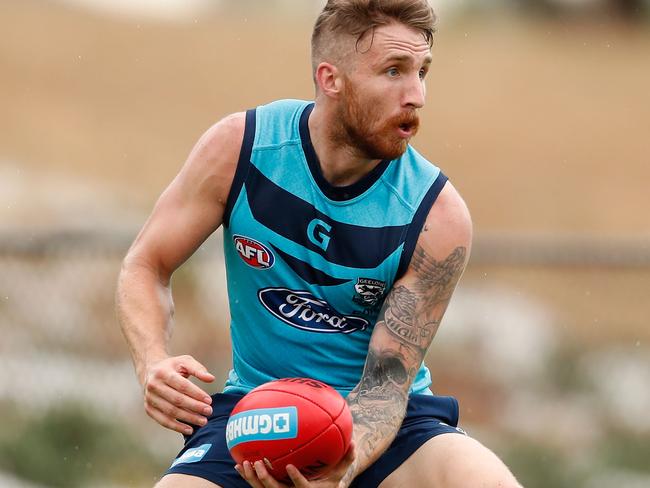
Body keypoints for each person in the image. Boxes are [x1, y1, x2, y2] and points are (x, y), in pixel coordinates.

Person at [116, 1, 523, 487]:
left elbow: (386, 386)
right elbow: (145, 265)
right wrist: (152, 361)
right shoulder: (240, 150)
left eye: (422, 72)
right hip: (260, 413)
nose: (416, 95)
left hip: (385, 424)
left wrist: (340, 471)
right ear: (331, 78)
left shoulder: (437, 215)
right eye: (394, 71)